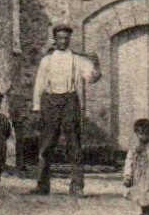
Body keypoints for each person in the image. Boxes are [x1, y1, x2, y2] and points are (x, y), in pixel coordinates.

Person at [30, 24, 100, 196]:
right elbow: (39, 83)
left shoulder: (77, 60)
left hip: (70, 101)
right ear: (55, 39)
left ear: (69, 39)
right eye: (60, 37)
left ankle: (77, 186)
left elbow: (91, 78)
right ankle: (42, 185)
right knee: (46, 145)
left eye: (66, 38)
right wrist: (37, 107)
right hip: (50, 101)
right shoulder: (47, 60)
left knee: (74, 144)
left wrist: (96, 64)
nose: (63, 41)